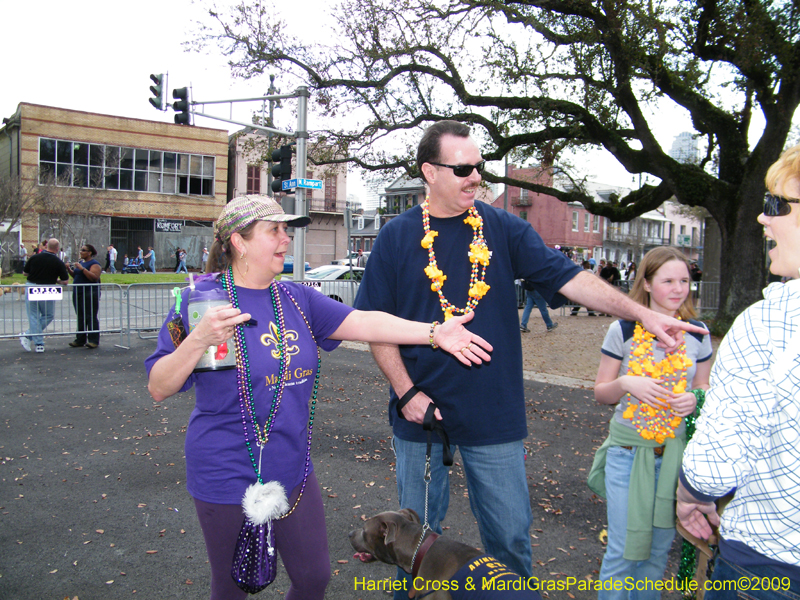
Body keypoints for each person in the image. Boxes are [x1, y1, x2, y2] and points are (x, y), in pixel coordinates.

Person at [353, 120, 708, 594]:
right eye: (463, 169)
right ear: (429, 172)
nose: (476, 177)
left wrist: (640, 313)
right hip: (420, 417)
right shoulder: (396, 237)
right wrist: (407, 393)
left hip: (494, 417)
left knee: (510, 544)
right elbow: (377, 328)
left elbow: (569, 279)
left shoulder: (502, 228)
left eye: (479, 167)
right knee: (410, 546)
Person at [145, 194, 492, 600]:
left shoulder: (295, 298)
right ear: (239, 242)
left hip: (293, 467)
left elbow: (365, 321)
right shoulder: (201, 301)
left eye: (286, 230)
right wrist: (198, 339)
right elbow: (159, 386)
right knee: (233, 586)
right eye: (273, 230)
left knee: (313, 577)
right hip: (224, 470)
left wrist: (434, 332)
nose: (285, 239)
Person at [676, 146, 800, 598]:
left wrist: (691, 495)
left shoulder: (772, 323)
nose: (763, 220)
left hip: (770, 568)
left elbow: (715, 465)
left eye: (776, 205)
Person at [587, 246, 712, 598]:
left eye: (684, 280)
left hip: (673, 455)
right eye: (668, 280)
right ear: (646, 282)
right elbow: (601, 392)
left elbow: (703, 385)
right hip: (628, 454)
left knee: (658, 553)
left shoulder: (698, 333)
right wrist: (627, 383)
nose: (678, 288)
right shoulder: (624, 330)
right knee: (623, 553)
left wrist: (696, 398)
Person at [19, 238, 69, 353]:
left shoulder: (35, 257)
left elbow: (25, 273)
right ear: (57, 249)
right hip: (48, 287)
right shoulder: (58, 262)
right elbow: (65, 281)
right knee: (48, 315)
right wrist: (56, 281)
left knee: (33, 315)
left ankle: (31, 338)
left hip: (32, 286)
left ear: (46, 247)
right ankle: (35, 340)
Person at [66, 244, 102, 349]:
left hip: (90, 292)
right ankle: (80, 339)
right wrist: (69, 269)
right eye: (81, 250)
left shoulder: (94, 264)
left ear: (89, 252)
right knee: (80, 316)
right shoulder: (82, 263)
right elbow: (76, 275)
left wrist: (82, 269)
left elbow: (94, 277)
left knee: (90, 316)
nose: (81, 252)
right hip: (78, 291)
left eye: (83, 250)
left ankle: (93, 340)